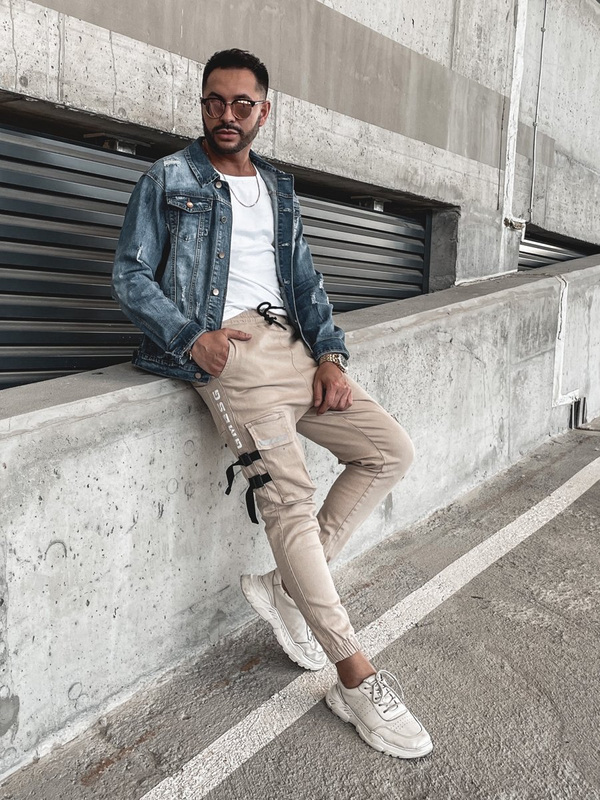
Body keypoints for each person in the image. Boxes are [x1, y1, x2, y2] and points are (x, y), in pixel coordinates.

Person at [111, 47, 432, 759]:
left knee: (389, 451)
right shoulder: (169, 177)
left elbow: (307, 282)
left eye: (241, 103)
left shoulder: (279, 188)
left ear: (264, 110)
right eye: (214, 101)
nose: (226, 115)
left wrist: (331, 356)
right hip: (230, 355)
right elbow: (130, 276)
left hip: (295, 349)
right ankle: (355, 677)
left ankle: (287, 588)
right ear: (202, 105)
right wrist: (191, 338)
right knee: (289, 501)